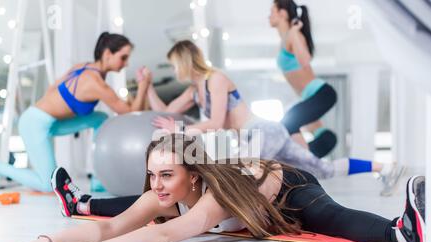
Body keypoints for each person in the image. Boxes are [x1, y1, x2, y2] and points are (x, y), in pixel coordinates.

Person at [0, 134, 426, 242]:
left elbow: (166, 236)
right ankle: (82, 200)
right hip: (250, 196)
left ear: (194, 175)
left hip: (288, 189)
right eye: (151, 175)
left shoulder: (214, 194)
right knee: (126, 208)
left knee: (328, 216)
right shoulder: (162, 193)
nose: (157, 186)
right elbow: (111, 226)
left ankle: (400, 231)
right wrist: (48, 240)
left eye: (167, 175)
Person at [146, 40, 403, 196]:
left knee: (243, 171)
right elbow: (166, 110)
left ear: (183, 60)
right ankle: (385, 167)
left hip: (262, 131)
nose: (173, 70)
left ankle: (253, 218)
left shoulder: (216, 79)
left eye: (173, 64)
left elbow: (213, 124)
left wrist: (178, 130)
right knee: (322, 169)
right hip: (260, 135)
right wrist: (147, 86)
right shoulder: (195, 90)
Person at [0, 32, 151, 193]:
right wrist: (143, 86)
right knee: (48, 185)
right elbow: (130, 113)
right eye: (123, 57)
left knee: (100, 118)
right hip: (34, 123)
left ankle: (98, 177)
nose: (126, 63)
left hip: (51, 122)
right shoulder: (96, 84)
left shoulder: (83, 67)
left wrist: (57, 110)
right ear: (107, 53)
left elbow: (53, 87)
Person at [270, 0, 338, 158]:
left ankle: (303, 160)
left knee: (287, 123)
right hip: (311, 95)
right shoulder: (286, 38)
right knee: (311, 131)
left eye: (272, 12)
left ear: (283, 14)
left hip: (321, 93)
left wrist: (294, 32)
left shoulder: (293, 35)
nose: (268, 17)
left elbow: (306, 60)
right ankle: (314, 152)